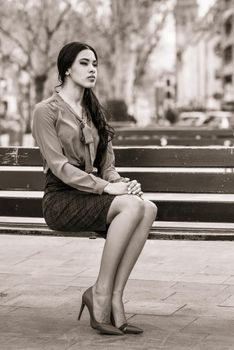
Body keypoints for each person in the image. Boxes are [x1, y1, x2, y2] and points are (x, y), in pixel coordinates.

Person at [32, 41, 157, 336]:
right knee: (131, 205)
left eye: (95, 64)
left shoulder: (94, 110)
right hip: (62, 199)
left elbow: (108, 166)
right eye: (85, 63)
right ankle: (100, 292)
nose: (92, 70)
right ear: (67, 69)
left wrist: (121, 183)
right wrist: (107, 189)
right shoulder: (45, 111)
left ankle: (114, 296)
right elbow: (60, 167)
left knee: (147, 207)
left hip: (93, 194)